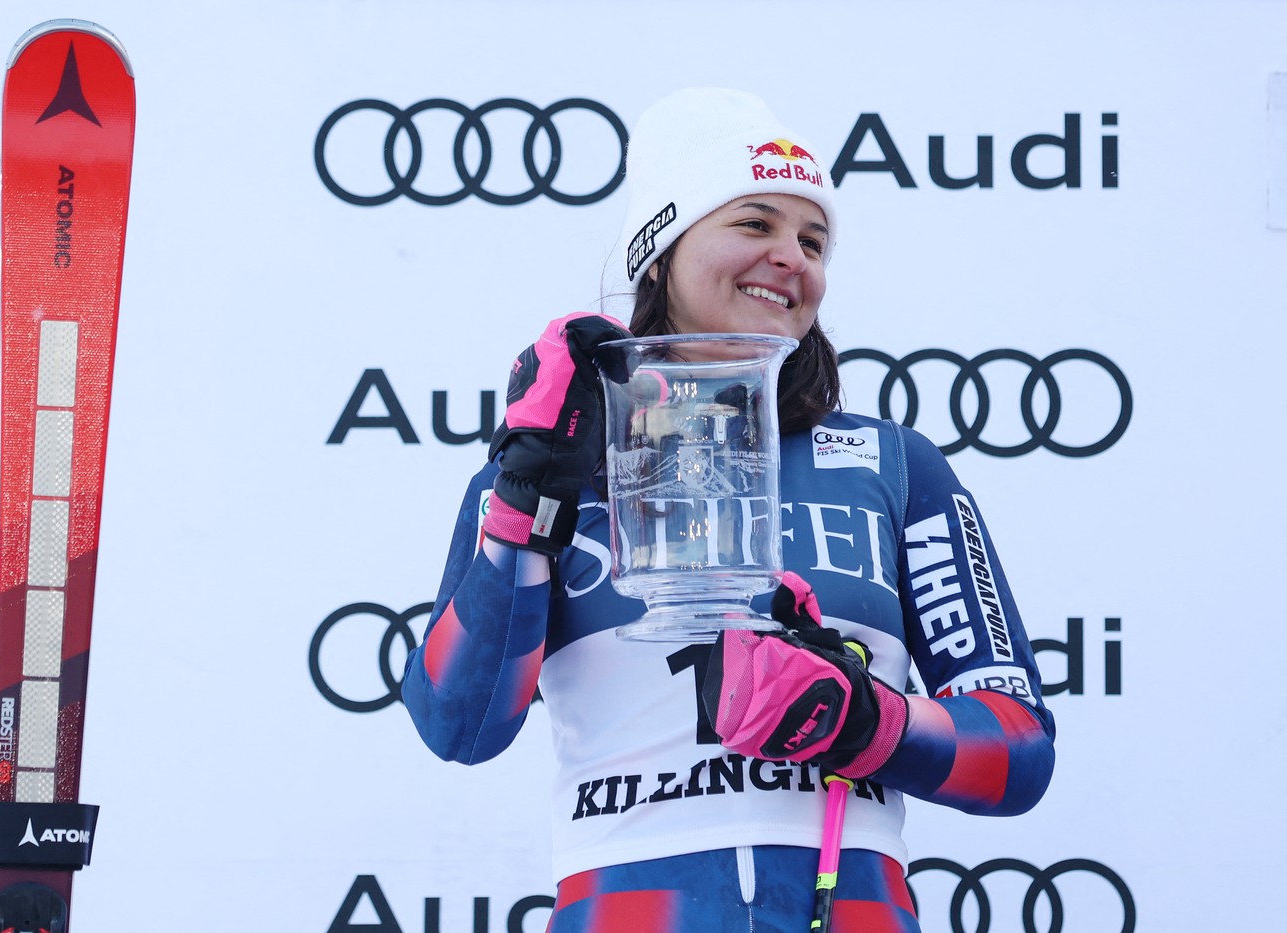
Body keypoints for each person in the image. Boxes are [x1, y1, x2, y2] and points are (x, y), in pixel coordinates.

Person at [403, 87, 1055, 932]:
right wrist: (526, 498)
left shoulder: (893, 465)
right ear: (662, 250)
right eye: (755, 223)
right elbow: (461, 720)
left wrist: (868, 721)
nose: (793, 256)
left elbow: (1019, 750)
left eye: (813, 239)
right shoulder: (552, 464)